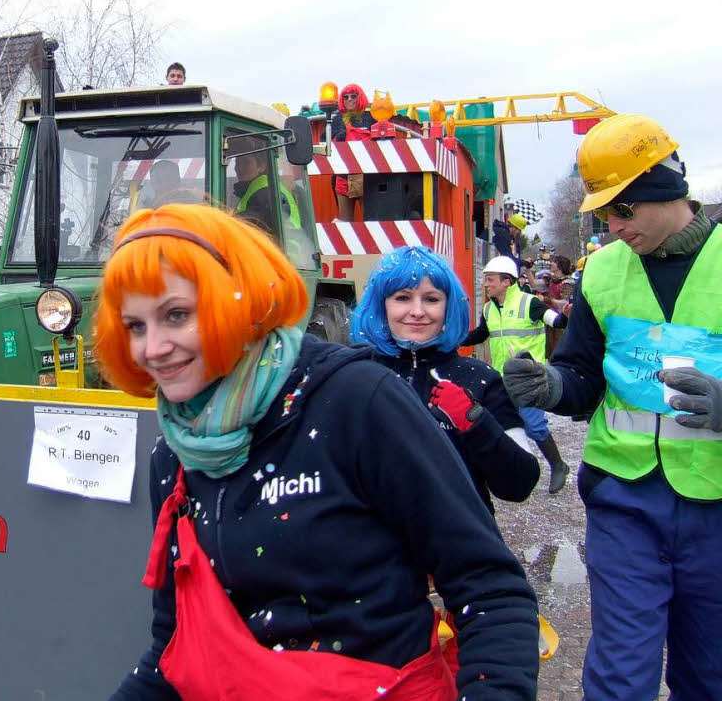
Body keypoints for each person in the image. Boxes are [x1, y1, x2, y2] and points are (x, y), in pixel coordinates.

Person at [100, 204, 539, 700]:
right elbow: (174, 646)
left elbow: (489, 590)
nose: (152, 348)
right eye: (135, 325)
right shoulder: (176, 454)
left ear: (237, 300)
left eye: (176, 315)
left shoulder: (355, 401)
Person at [500, 113, 722, 700]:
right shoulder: (600, 271)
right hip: (626, 502)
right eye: (604, 215)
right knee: (621, 677)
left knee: (710, 675)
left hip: (716, 508)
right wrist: (550, 385)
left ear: (663, 190)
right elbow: (582, 375)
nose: (614, 226)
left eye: (623, 210)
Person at [350, 246, 539, 516]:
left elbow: (519, 484)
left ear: (449, 307)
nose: (417, 311)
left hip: (459, 549)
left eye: (431, 299)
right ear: (381, 305)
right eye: (402, 298)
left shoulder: (481, 379)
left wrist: (475, 423)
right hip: (374, 550)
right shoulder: (354, 375)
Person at [462, 255, 570, 494]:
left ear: (506, 282)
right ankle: (503, 472)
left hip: (528, 380)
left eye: (490, 280)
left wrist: (567, 315)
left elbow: (557, 321)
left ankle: (558, 465)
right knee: (497, 423)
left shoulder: (529, 303)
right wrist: (453, 341)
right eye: (485, 280)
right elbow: (481, 334)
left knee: (534, 426)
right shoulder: (489, 309)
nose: (486, 284)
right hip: (500, 380)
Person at [330, 84, 376, 221]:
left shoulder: (371, 117)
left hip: (366, 177)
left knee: (371, 222)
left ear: (360, 97)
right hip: (343, 176)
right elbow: (323, 141)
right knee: (345, 223)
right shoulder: (337, 119)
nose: (349, 99)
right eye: (345, 97)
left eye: (353, 96)